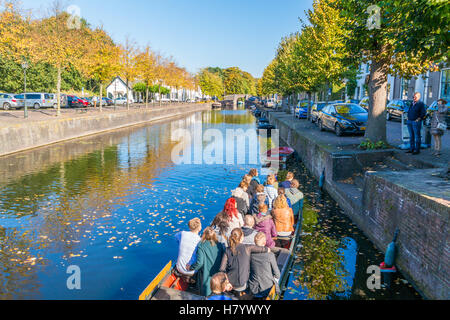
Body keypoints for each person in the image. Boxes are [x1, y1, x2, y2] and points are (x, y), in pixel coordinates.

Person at [219, 228, 270, 296]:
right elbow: (265, 249)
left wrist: (227, 282)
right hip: (243, 283)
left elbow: (221, 269)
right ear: (241, 238)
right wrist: (268, 249)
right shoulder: (247, 247)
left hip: (230, 283)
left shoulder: (227, 250)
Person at [189, 227, 226, 296]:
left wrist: (191, 267)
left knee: (205, 293)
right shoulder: (220, 245)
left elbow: (200, 263)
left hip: (206, 275)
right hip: (217, 274)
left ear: (204, 235)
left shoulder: (201, 245)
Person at [248, 232, 281, 298]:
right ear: (264, 243)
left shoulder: (249, 255)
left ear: (255, 242)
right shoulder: (270, 255)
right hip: (267, 288)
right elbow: (278, 275)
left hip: (253, 288)